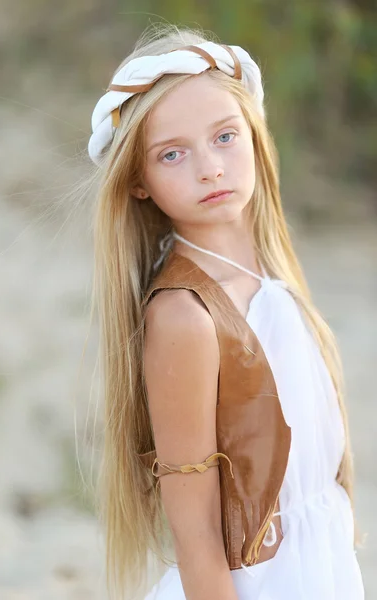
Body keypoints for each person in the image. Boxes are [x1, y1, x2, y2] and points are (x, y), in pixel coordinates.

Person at [87, 23, 365, 600]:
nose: (210, 168)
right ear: (138, 181)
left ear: (255, 133)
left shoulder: (271, 275)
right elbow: (197, 541)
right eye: (172, 154)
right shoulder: (186, 317)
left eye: (224, 137)